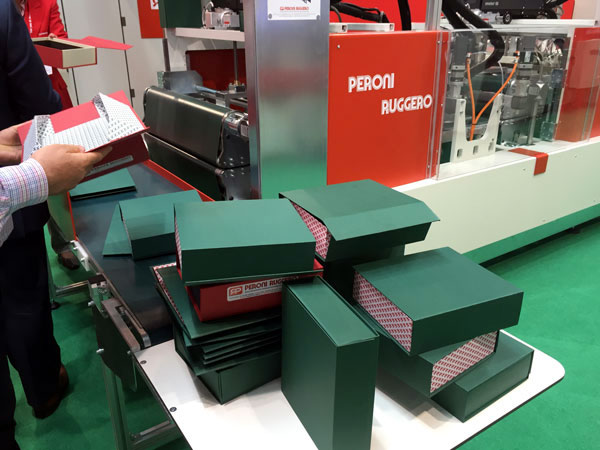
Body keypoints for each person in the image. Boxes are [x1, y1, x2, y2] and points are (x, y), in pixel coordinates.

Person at [0, 1, 110, 448]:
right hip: (15, 200)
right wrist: (37, 174)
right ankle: (44, 389)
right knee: (23, 298)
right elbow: (41, 103)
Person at [14, 0, 80, 269]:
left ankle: (64, 243)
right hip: (15, 107)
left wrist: (54, 43)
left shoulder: (47, 4)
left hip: (49, 97)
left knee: (59, 173)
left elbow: (61, 41)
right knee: (24, 174)